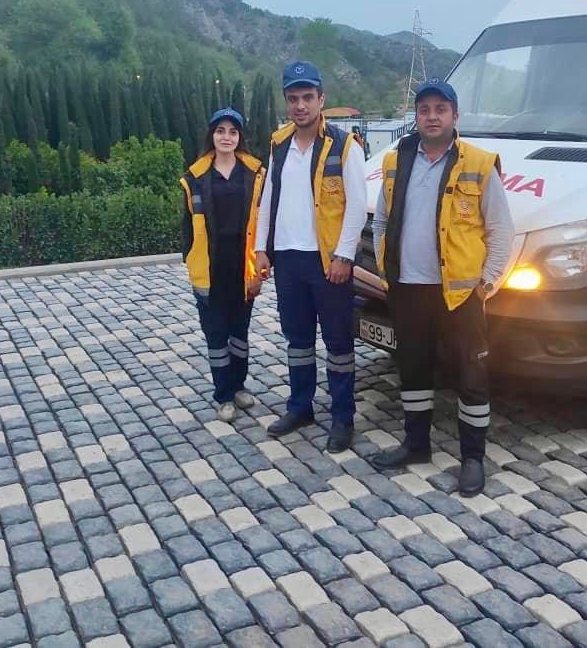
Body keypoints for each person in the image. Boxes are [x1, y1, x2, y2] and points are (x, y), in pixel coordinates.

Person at [368, 79, 514, 496]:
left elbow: (501, 229)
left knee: (470, 376)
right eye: (424, 109)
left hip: (460, 294)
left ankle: (472, 459)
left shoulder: (479, 164)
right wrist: (386, 269)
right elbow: (381, 221)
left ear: (455, 116)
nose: (432, 117)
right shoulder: (396, 161)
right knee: (413, 370)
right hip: (407, 289)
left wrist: (486, 284)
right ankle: (416, 445)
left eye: (440, 109)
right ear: (416, 116)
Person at [255, 61, 368, 452]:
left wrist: (344, 255)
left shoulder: (345, 145)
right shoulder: (279, 144)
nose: (300, 105)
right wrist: (262, 248)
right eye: (293, 98)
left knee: (338, 343)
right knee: (298, 339)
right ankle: (300, 406)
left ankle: (342, 417)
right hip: (289, 258)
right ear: (286, 102)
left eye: (307, 97)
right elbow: (269, 197)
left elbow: (357, 206)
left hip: (328, 261)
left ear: (322, 99)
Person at [180, 107, 266, 423]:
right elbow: (187, 226)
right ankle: (223, 396)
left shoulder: (254, 174)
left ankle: (239, 385)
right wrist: (189, 258)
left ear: (240, 137)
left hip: (243, 265)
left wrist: (262, 261)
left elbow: (264, 221)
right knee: (216, 334)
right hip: (210, 266)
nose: (226, 137)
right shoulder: (195, 178)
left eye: (232, 131)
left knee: (240, 331)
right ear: (212, 136)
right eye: (220, 131)